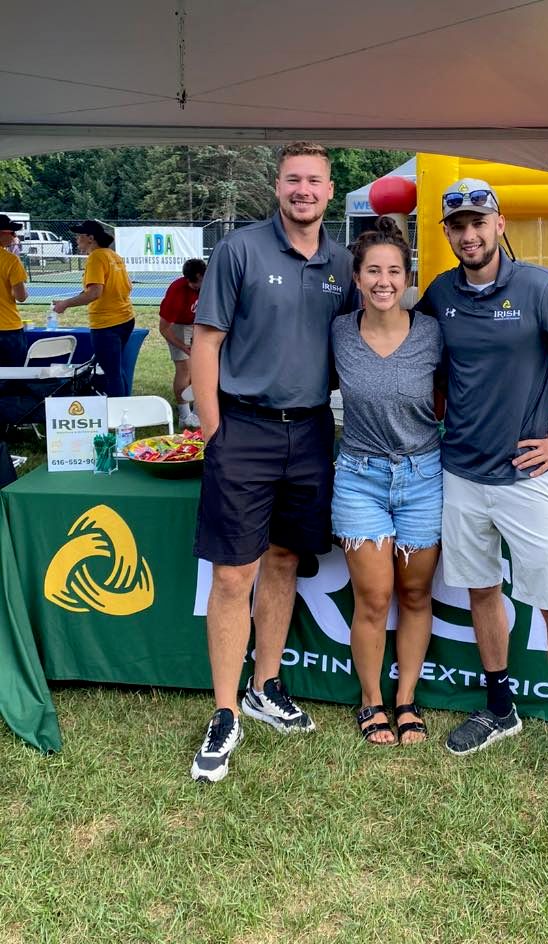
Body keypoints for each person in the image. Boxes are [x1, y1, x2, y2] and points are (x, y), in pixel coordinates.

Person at [418, 179, 548, 797]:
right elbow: (426, 361)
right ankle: (500, 707)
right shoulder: (440, 293)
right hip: (459, 474)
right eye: (458, 226)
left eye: (479, 221)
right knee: (483, 592)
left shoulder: (540, 287)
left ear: (500, 223)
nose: (470, 235)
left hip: (526, 478)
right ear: (447, 234)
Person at [189, 141, 358, 783]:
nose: (303, 190)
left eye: (314, 180)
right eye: (293, 179)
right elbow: (207, 344)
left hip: (313, 432)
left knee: (285, 559)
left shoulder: (344, 263)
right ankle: (226, 710)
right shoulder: (240, 250)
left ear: (330, 188)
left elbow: (358, 348)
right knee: (235, 574)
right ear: (278, 186)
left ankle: (266, 684)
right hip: (246, 428)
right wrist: (213, 431)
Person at [332, 217, 443, 745]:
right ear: (357, 278)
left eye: (394, 271)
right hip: (359, 477)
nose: (383, 280)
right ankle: (371, 700)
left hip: (424, 476)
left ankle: (406, 700)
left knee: (416, 592)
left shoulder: (432, 334)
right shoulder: (337, 333)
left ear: (407, 278)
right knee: (374, 598)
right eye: (373, 270)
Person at [53, 220, 134, 396]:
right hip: (125, 318)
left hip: (106, 323)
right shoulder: (113, 255)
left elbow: (94, 293)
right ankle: (126, 407)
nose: (76, 239)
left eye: (79, 236)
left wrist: (65, 304)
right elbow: (128, 286)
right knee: (117, 369)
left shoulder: (96, 258)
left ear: (90, 238)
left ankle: (118, 414)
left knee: (111, 373)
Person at [158, 257, 206, 429]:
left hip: (196, 325)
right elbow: (164, 328)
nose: (198, 287)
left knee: (200, 369)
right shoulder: (177, 291)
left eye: (200, 282)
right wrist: (183, 347)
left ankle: (198, 411)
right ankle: (184, 416)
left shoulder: (210, 283)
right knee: (184, 368)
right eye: (193, 284)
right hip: (177, 326)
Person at [0, 214, 29, 367]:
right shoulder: (10, 260)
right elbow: (21, 296)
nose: (14, 236)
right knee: (14, 379)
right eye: (11, 232)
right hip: (7, 329)